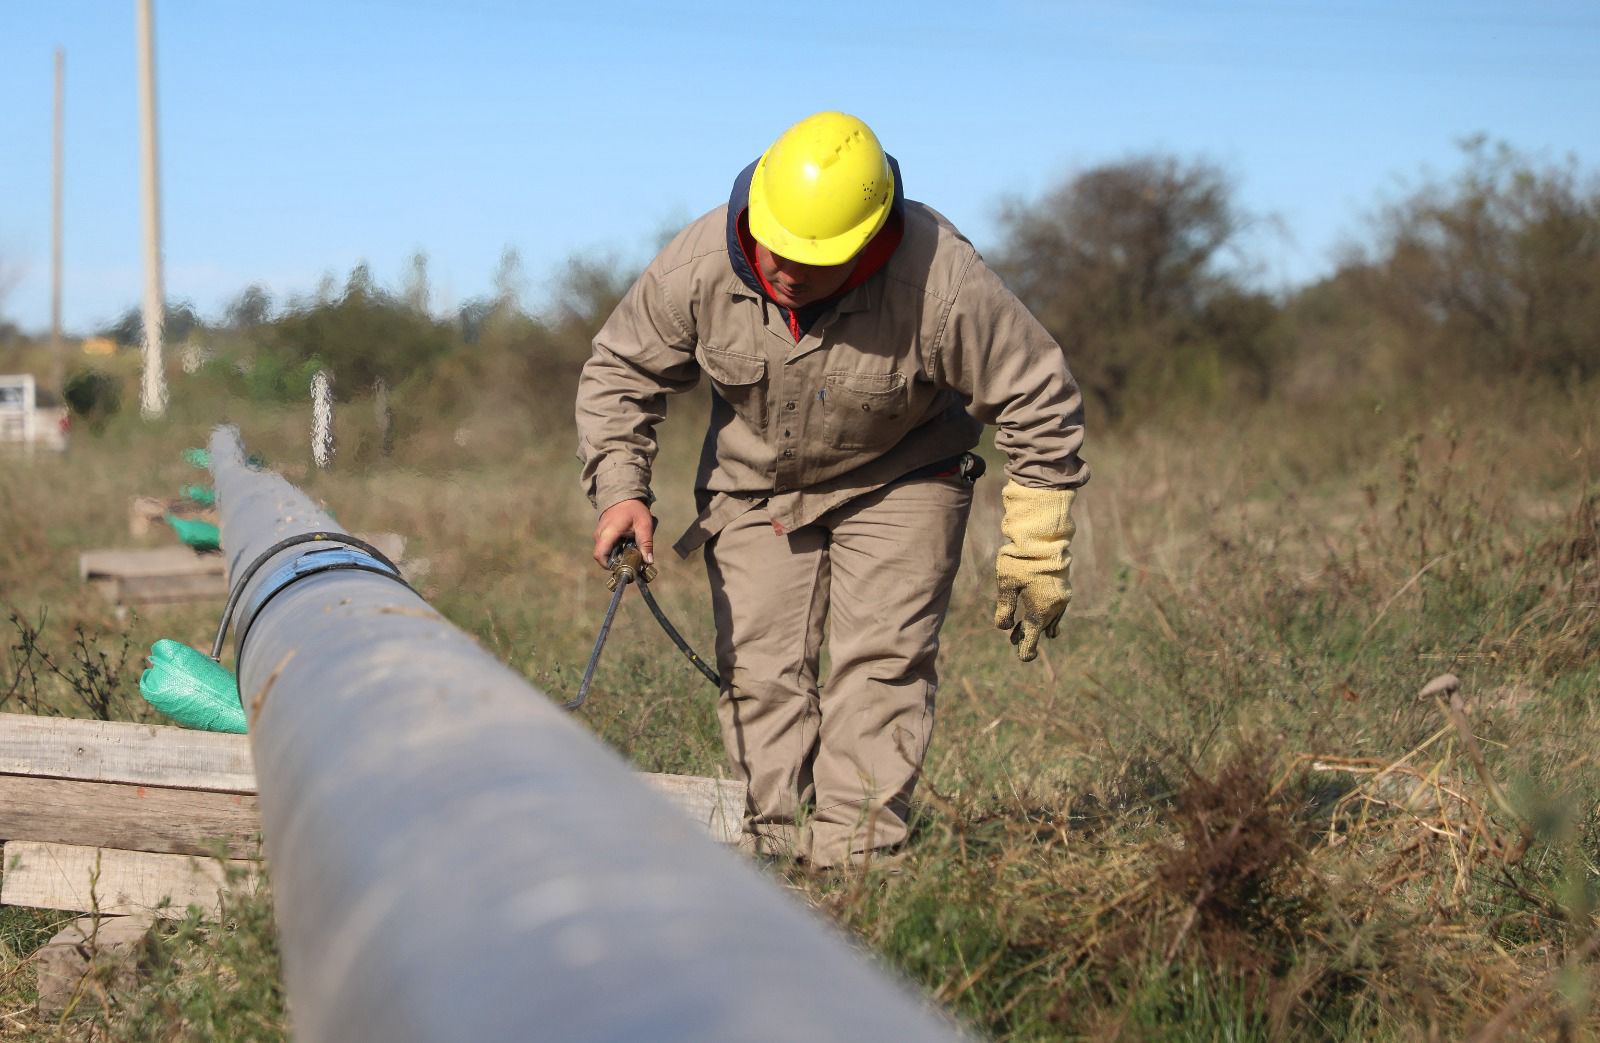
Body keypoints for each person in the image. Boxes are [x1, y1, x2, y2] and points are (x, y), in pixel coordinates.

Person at [576, 111, 1088, 868]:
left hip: (902, 475)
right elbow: (621, 370)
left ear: (870, 240)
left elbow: (1037, 394)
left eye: (815, 259)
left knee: (880, 665)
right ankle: (775, 856)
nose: (787, 270)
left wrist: (1037, 543)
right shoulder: (699, 263)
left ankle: (856, 865)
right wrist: (623, 489)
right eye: (777, 247)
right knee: (761, 671)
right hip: (754, 486)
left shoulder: (940, 278)